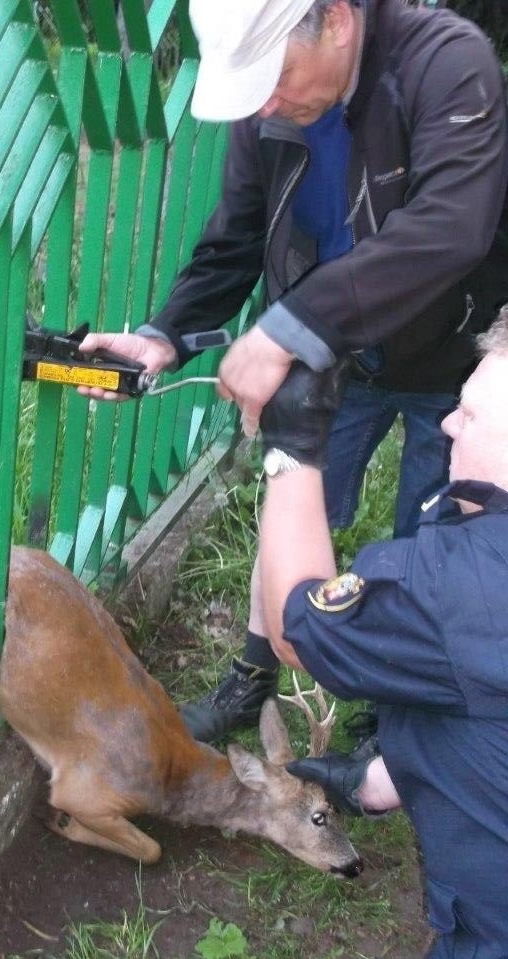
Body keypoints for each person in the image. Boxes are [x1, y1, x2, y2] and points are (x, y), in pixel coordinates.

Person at [77, 0, 508, 744]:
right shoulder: (268, 97)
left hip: (453, 358)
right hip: (335, 354)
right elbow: (235, 238)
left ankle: (403, 718)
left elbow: (451, 225)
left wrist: (288, 327)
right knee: (292, 501)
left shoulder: (445, 62)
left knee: (437, 534)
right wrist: (165, 334)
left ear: (336, 19)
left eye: (272, 79)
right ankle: (252, 679)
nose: (265, 105)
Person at [254, 307, 508, 959]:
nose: (450, 426)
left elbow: (295, 626)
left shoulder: (459, 588)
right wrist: (390, 773)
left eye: (470, 412)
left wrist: (294, 449)